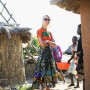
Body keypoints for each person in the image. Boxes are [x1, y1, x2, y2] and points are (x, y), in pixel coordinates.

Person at [31, 15, 56, 90]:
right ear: (42, 20)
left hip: (50, 56)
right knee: (41, 77)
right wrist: (50, 42)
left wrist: (48, 42)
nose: (47, 21)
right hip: (43, 56)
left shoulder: (50, 33)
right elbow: (42, 44)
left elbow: (55, 45)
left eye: (49, 19)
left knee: (48, 78)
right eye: (45, 19)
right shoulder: (39, 30)